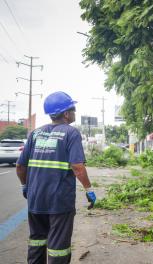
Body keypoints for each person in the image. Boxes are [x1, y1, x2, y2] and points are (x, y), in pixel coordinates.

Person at [16, 91, 96, 264]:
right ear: (66, 114)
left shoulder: (35, 134)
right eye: (73, 109)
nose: (75, 112)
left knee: (36, 240)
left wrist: (25, 187)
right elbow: (77, 167)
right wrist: (89, 190)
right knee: (58, 247)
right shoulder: (71, 133)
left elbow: (20, 166)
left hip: (36, 199)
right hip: (59, 202)